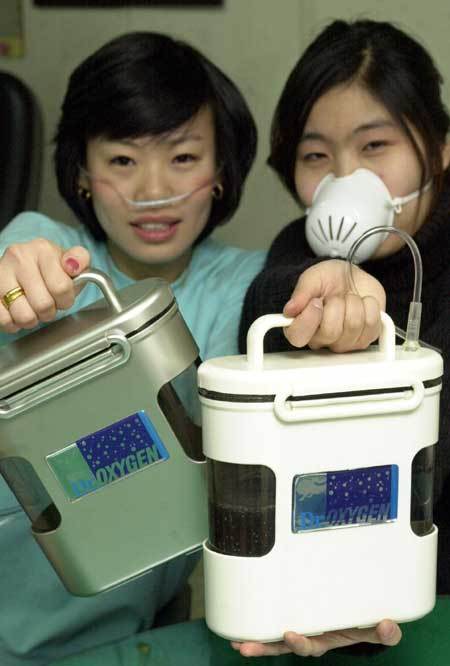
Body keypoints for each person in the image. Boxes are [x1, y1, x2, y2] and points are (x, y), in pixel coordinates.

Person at [238, 18, 449, 658]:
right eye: (316, 156)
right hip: (320, 604)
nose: (346, 178)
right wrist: (311, 298)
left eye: (375, 145)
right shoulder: (291, 251)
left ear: (440, 148)